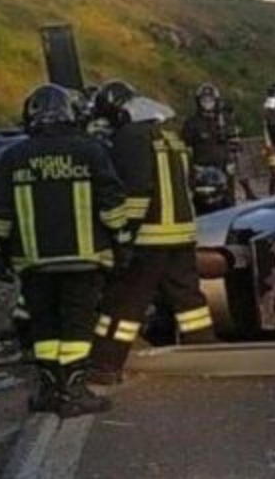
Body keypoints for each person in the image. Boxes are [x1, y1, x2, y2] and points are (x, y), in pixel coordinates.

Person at [0, 84, 127, 416]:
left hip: (34, 262)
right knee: (77, 325)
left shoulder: (13, 157)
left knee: (44, 326)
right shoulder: (90, 151)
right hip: (84, 258)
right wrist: (121, 243)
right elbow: (112, 204)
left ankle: (50, 390)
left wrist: (2, 252)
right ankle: (74, 391)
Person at [89, 80, 215, 384]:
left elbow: (136, 192)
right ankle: (207, 354)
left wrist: (123, 234)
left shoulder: (130, 138)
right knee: (188, 301)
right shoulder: (169, 136)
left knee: (125, 301)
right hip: (182, 234)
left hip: (149, 237)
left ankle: (105, 365)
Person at [181, 83, 241, 212]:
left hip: (224, 168)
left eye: (210, 100)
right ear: (199, 102)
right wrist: (192, 170)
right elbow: (186, 147)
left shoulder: (225, 120)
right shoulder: (191, 123)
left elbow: (235, 142)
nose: (207, 103)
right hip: (202, 171)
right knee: (203, 204)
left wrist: (232, 160)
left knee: (228, 202)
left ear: (216, 101)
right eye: (204, 100)